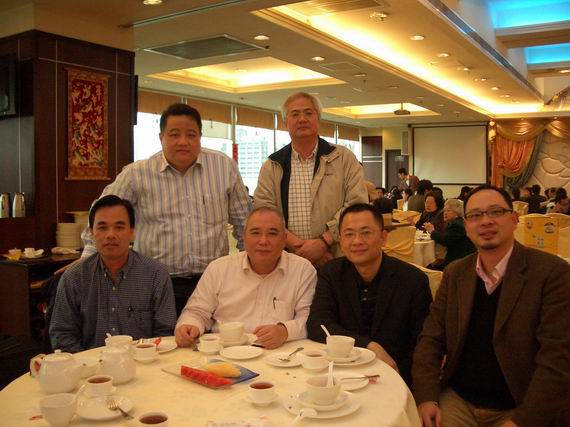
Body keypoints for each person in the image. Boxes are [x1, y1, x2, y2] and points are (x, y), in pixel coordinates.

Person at [412, 185, 570, 427]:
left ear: (514, 219)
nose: (485, 221)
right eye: (475, 215)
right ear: (466, 226)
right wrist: (426, 397)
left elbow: (558, 358)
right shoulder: (455, 273)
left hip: (519, 403)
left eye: (496, 212)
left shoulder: (551, 273)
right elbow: (431, 338)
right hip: (459, 400)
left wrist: (523, 420)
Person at [79, 103, 251, 315]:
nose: (183, 142)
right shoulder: (137, 174)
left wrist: (246, 271)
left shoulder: (223, 167)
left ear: (200, 136)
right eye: (174, 134)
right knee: (159, 335)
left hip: (214, 281)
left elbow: (245, 224)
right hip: (155, 282)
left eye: (191, 135)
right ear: (161, 137)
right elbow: (101, 213)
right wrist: (86, 264)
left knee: (213, 335)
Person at [307, 203, 432, 386]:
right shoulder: (332, 273)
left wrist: (397, 377)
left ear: (383, 237)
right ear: (340, 240)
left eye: (366, 232)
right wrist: (368, 345)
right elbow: (317, 324)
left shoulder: (413, 280)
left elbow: (423, 342)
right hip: (342, 375)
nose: (357, 241)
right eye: (349, 234)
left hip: (395, 375)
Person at [175, 206, 317, 349]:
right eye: (255, 233)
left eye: (272, 234)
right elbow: (197, 311)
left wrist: (284, 331)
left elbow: (309, 320)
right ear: (244, 236)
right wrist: (189, 326)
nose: (263, 241)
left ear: (284, 239)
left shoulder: (302, 270)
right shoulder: (218, 269)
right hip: (225, 352)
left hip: (279, 353)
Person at [50, 195, 176, 353]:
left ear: (132, 232)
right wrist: (87, 364)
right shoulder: (74, 278)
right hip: (91, 365)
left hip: (143, 362)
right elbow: (62, 335)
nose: (110, 235)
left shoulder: (156, 275)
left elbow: (165, 335)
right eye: (102, 228)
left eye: (119, 227)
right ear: (91, 233)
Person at [254, 92, 367, 267]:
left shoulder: (343, 158)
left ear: (318, 119)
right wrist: (299, 247)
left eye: (308, 113)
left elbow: (357, 204)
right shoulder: (272, 165)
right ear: (285, 122)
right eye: (295, 114)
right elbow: (264, 211)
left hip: (337, 256)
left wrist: (324, 242)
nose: (302, 119)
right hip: (288, 260)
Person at [424, 198, 476, 270]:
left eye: (448, 210)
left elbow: (445, 240)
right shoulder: (459, 222)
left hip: (459, 262)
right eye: (444, 210)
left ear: (457, 213)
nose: (445, 213)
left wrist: (432, 231)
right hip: (463, 258)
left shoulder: (456, 225)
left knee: (428, 266)